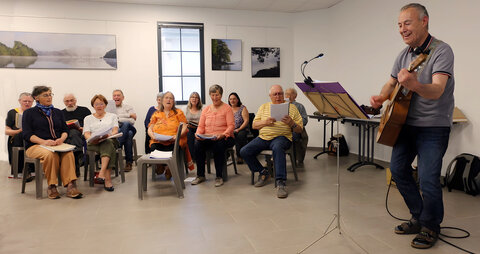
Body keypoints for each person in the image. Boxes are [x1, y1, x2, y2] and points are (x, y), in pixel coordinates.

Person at [370, 3, 454, 249]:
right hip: (406, 125)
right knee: (398, 171)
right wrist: (381, 97)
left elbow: (437, 90)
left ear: (424, 21)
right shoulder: (404, 54)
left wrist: (415, 84)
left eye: (407, 23)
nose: (402, 29)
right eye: (399, 25)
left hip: (434, 127)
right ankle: (419, 216)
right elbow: (391, 83)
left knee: (428, 179)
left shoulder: (442, 51)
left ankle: (430, 227)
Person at [240, 85, 302, 199]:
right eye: (275, 94)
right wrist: (265, 122)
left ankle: (281, 182)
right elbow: (254, 125)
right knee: (244, 151)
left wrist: (292, 123)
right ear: (270, 96)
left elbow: (300, 129)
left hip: (282, 137)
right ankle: (263, 172)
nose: (278, 96)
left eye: (280, 93)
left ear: (283, 94)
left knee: (278, 148)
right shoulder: (264, 107)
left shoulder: (292, 108)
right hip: (264, 137)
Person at [22, 86, 82, 199]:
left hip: (57, 144)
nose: (49, 97)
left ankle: (70, 185)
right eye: (46, 95)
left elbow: (65, 130)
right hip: (36, 146)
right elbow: (27, 134)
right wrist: (44, 142)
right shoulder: (29, 113)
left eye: (50, 94)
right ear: (37, 98)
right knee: (50, 155)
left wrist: (61, 139)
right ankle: (52, 186)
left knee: (68, 153)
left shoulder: (58, 112)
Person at [191, 85, 235, 187]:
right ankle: (200, 175)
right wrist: (198, 134)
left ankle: (219, 176)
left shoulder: (227, 108)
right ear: (210, 95)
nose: (215, 97)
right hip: (209, 137)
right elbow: (201, 126)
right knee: (197, 144)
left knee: (218, 145)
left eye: (217, 95)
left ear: (221, 95)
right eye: (213, 95)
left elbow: (231, 126)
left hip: (225, 137)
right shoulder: (206, 109)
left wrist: (223, 134)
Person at [147, 91, 193, 179]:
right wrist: (152, 136)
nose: (168, 100)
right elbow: (150, 128)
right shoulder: (156, 114)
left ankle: (169, 167)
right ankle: (160, 165)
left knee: (175, 148)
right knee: (153, 147)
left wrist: (177, 136)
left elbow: (184, 126)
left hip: (174, 141)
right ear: (162, 101)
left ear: (173, 101)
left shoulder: (178, 112)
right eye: (166, 98)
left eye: (171, 98)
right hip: (159, 141)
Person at [83, 94, 119, 192]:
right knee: (109, 147)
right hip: (93, 143)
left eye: (101, 104)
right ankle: (107, 180)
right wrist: (91, 139)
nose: (99, 106)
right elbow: (86, 133)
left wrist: (109, 135)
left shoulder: (112, 116)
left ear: (105, 105)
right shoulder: (88, 118)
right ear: (93, 106)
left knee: (107, 143)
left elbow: (115, 130)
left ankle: (102, 173)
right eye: (96, 104)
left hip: (109, 139)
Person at [5, 92, 34, 178]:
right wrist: (18, 131)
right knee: (20, 136)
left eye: (30, 101)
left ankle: (32, 169)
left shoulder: (35, 112)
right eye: (25, 101)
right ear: (19, 101)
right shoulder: (12, 112)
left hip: (31, 138)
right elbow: (7, 130)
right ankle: (18, 171)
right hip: (16, 138)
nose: (27, 103)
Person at [62, 93, 91, 176]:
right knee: (73, 133)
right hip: (67, 135)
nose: (70, 103)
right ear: (64, 103)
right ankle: (79, 155)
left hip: (83, 133)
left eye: (71, 100)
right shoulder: (61, 113)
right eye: (67, 101)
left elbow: (91, 123)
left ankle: (75, 167)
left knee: (74, 134)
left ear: (75, 101)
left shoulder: (84, 110)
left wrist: (83, 128)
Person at [112, 89, 136, 172]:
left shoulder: (128, 107)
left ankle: (118, 144)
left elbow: (132, 121)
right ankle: (129, 162)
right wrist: (128, 116)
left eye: (118, 95)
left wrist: (118, 117)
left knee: (126, 124)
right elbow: (110, 122)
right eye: (114, 96)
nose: (116, 97)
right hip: (116, 130)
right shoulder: (109, 108)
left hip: (129, 127)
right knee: (128, 134)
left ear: (123, 97)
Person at [285, 88, 309, 167]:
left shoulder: (300, 106)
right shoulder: (281, 105)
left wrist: (294, 122)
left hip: (295, 128)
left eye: (290, 94)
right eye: (286, 94)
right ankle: (272, 160)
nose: (288, 96)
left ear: (295, 96)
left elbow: (305, 120)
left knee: (294, 136)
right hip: (283, 129)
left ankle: (294, 159)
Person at [228, 92, 249, 164]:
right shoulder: (227, 109)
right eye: (230, 99)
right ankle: (226, 155)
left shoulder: (242, 108)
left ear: (237, 100)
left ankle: (239, 156)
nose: (232, 101)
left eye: (234, 99)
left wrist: (238, 129)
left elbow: (246, 121)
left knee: (239, 135)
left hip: (241, 129)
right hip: (230, 129)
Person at [185, 92, 203, 163]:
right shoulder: (185, 109)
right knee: (189, 134)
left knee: (197, 136)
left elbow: (204, 122)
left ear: (198, 100)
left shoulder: (202, 109)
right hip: (189, 128)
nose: (194, 99)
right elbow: (183, 121)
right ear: (190, 99)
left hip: (199, 128)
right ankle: (192, 157)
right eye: (192, 97)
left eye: (196, 97)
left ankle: (198, 156)